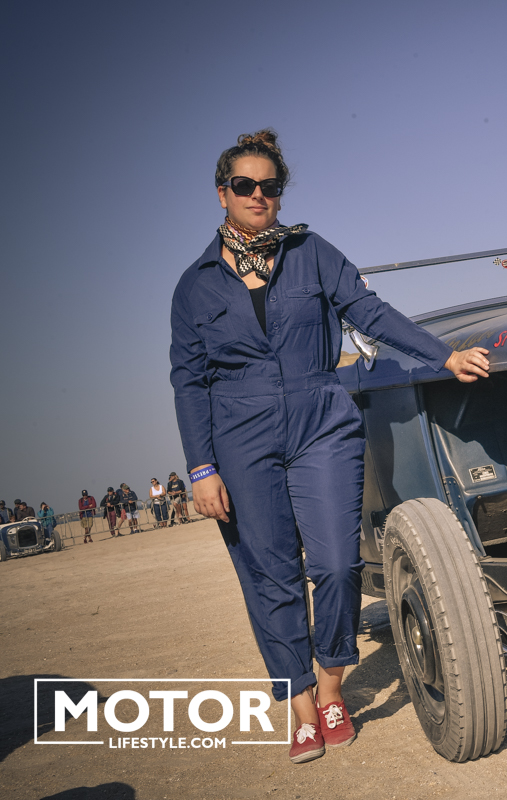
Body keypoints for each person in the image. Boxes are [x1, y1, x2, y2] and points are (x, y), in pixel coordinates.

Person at [169, 129, 490, 764]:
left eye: (270, 186)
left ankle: (333, 682)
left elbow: (369, 311)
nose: (258, 195)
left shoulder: (312, 253)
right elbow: (188, 381)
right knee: (271, 574)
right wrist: (201, 467)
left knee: (338, 563)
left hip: (321, 418)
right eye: (244, 185)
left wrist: (443, 355)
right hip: (240, 436)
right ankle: (300, 706)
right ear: (222, 193)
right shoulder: (194, 286)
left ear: (280, 194)